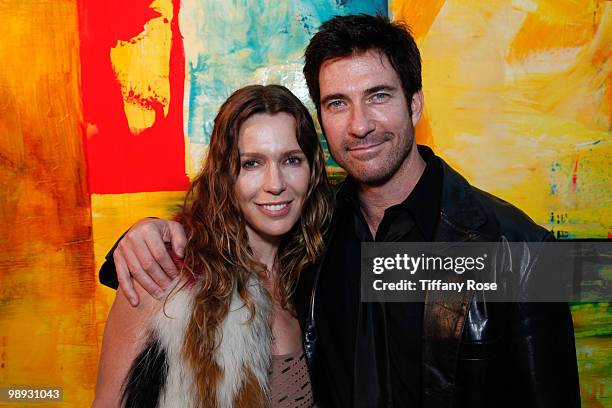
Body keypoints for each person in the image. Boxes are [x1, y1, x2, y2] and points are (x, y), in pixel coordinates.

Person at [99, 14, 580, 407]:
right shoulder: (314, 234)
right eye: (336, 103)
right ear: (322, 121)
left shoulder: (520, 249)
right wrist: (150, 231)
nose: (360, 125)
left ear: (415, 105)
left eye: (378, 96)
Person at [93, 84, 332, 407]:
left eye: (291, 160)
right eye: (251, 163)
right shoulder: (164, 274)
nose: (275, 184)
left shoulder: (315, 272)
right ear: (224, 174)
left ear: (312, 170)